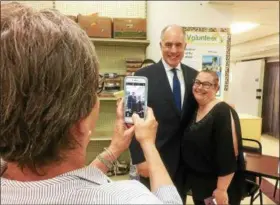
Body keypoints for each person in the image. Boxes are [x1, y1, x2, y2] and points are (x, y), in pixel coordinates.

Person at [0, 2, 183, 204]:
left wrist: (114, 149)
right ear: (82, 119)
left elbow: (63, 184)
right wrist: (148, 143)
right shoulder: (130, 198)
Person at [129, 24, 198, 201]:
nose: (173, 50)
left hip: (185, 164)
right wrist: (139, 158)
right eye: (168, 45)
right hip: (153, 159)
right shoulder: (142, 76)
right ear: (160, 46)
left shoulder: (195, 77)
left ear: (185, 46)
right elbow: (132, 120)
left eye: (178, 45)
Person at [181, 70, 246, 205]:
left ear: (216, 88)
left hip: (218, 187)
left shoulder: (222, 111)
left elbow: (230, 154)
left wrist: (221, 189)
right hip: (200, 185)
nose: (199, 87)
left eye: (206, 84)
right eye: (197, 82)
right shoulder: (196, 109)